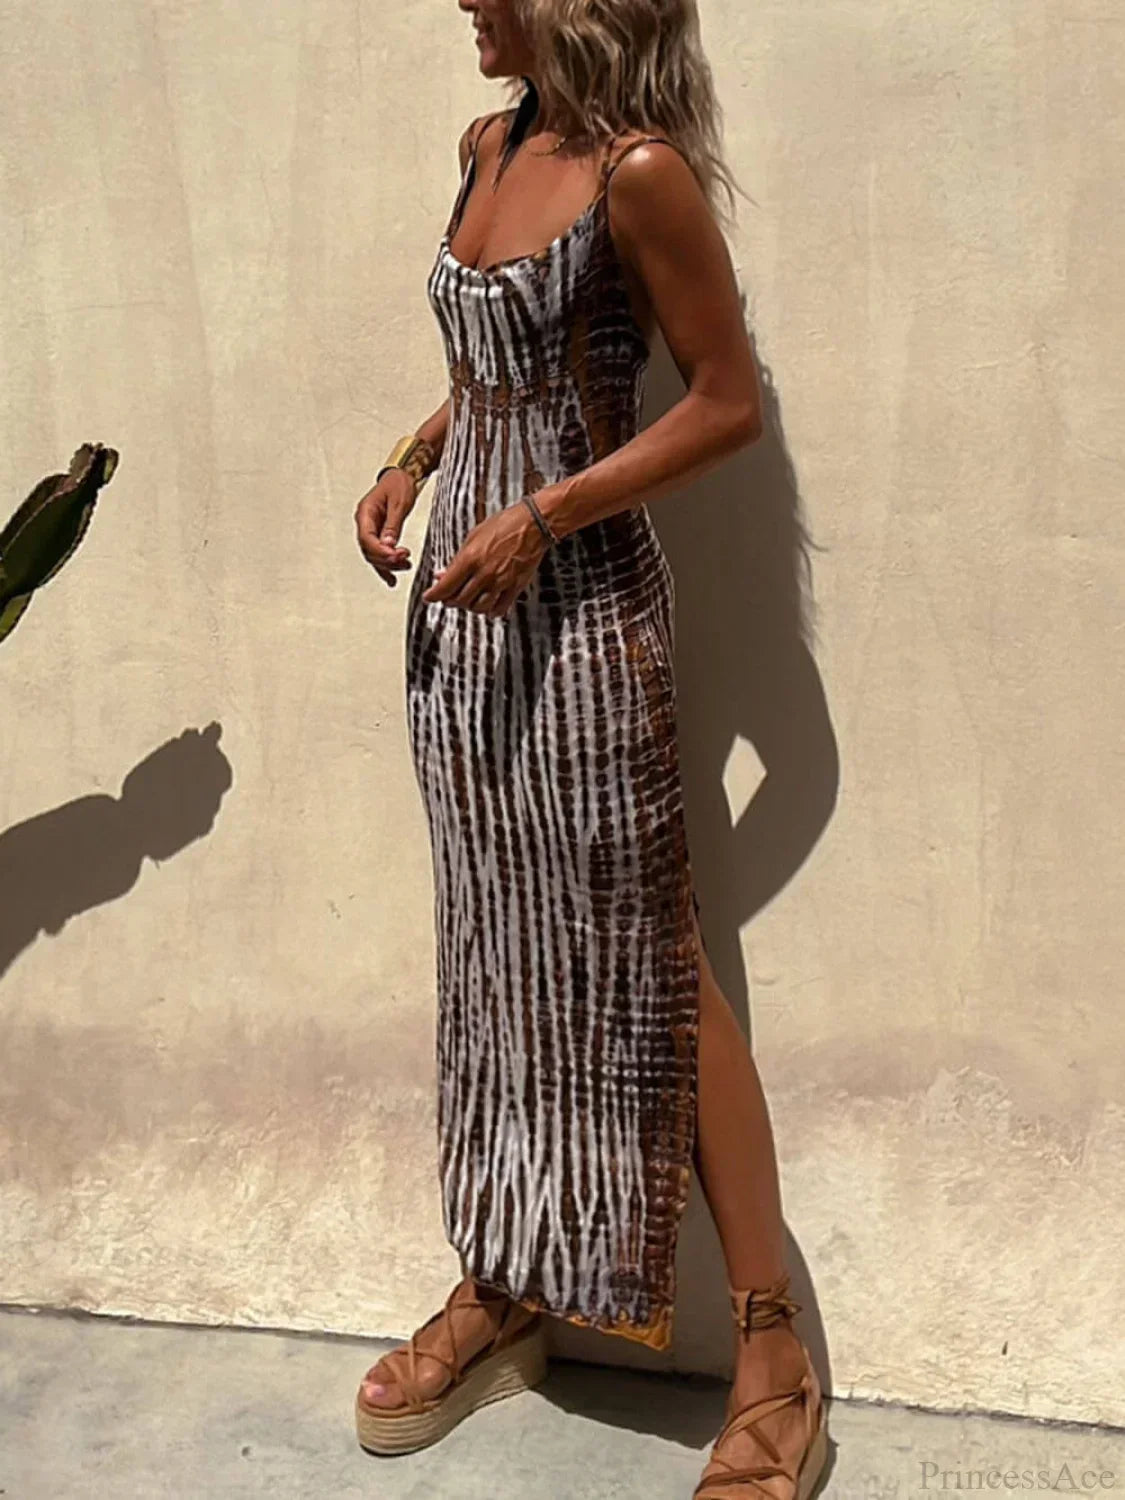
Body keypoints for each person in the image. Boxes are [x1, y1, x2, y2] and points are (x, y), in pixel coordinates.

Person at [351, 2, 828, 1495]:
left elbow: (725, 405)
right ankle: (503, 1284)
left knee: (653, 968)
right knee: (491, 949)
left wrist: (546, 515)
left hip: (585, 631)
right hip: (462, 634)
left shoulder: (641, 175)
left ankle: (773, 1351)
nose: (466, 3)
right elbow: (494, 360)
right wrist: (414, 458)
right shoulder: (486, 146)